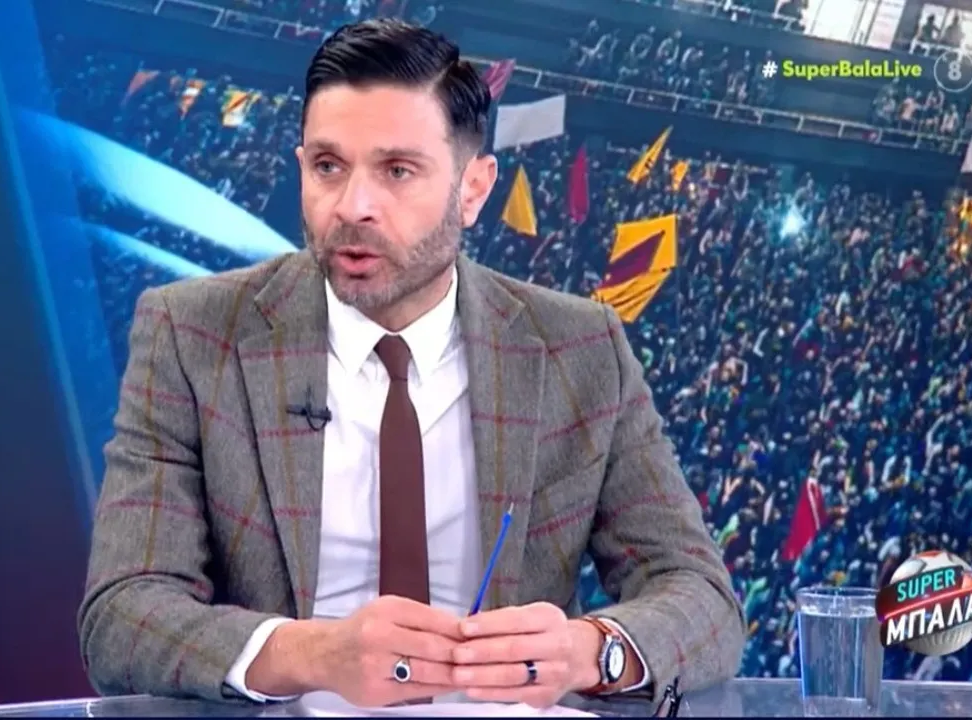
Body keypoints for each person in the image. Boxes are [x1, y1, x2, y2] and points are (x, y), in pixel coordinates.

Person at [78, 19, 745, 711]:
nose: (353, 206)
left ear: (473, 189)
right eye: (328, 167)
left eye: (397, 171)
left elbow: (701, 598)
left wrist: (590, 651)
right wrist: (310, 654)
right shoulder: (192, 333)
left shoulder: (578, 347)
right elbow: (122, 614)